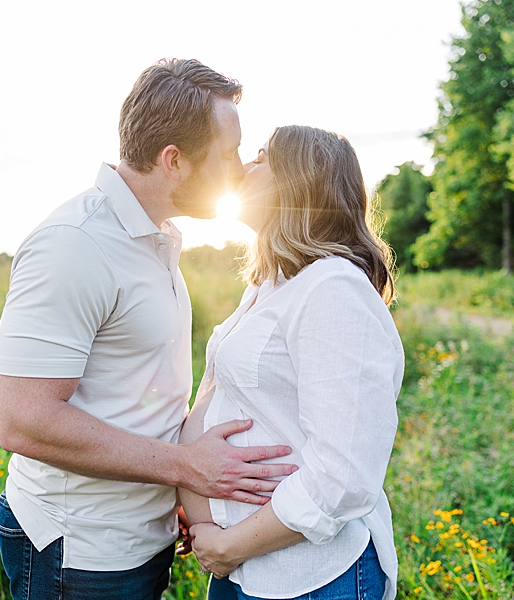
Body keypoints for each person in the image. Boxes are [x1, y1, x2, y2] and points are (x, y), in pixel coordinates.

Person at [0, 58, 297, 600]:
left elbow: (137, 388)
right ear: (173, 160)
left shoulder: (156, 236)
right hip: (79, 551)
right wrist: (185, 466)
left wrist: (175, 490)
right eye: (226, 156)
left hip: (140, 535)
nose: (240, 169)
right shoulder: (74, 244)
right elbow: (22, 420)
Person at [179, 125, 403, 600]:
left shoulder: (333, 289)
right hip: (243, 567)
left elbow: (342, 477)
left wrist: (228, 543)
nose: (243, 168)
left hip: (309, 575)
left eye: (261, 158)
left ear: (297, 181)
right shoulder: (271, 284)